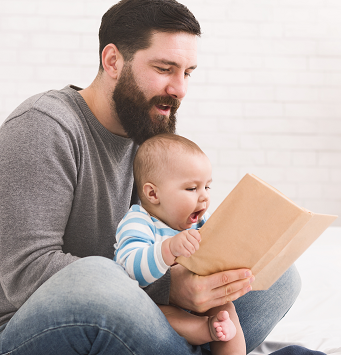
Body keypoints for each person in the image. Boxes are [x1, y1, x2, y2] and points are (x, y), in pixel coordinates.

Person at [0, 0, 303, 354]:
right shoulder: (44, 126)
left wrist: (208, 265)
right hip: (30, 326)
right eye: (164, 68)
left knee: (278, 279)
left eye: (187, 72)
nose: (180, 89)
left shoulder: (148, 135)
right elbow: (23, 273)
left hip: (136, 309)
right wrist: (170, 286)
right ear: (112, 61)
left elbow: (169, 232)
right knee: (97, 277)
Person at [114, 133, 245, 354]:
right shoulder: (138, 221)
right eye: (192, 189)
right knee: (160, 314)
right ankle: (206, 330)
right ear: (153, 193)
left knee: (225, 309)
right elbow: (129, 268)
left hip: (199, 299)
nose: (203, 197)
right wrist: (168, 249)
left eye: (207, 187)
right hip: (152, 306)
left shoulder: (199, 221)